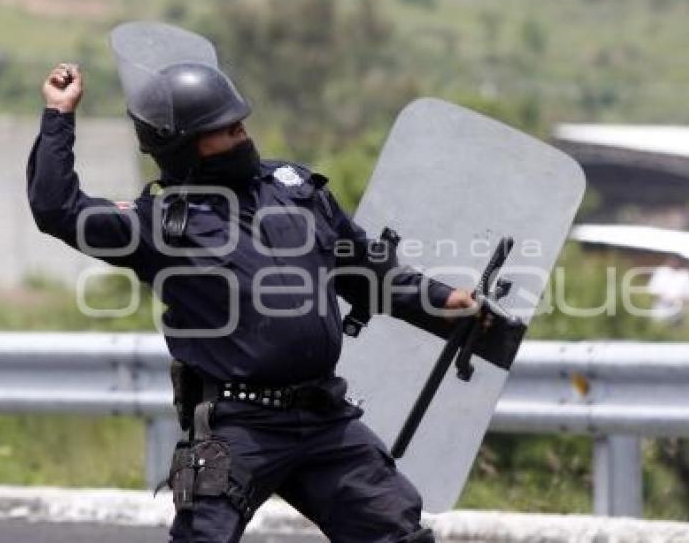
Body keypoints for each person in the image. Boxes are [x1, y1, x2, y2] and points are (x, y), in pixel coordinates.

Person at [27, 55, 476, 542]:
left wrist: (440, 298)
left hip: (325, 418)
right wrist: (59, 116)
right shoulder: (158, 224)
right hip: (238, 426)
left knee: (397, 532)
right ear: (185, 146)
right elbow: (57, 208)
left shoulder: (296, 191)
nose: (241, 132)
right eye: (224, 128)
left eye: (240, 122)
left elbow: (365, 269)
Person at [646, 256, 689, 325]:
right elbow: (652, 289)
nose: (675, 262)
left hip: (678, 313)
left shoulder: (686, 274)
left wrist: (679, 300)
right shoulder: (661, 272)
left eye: (677, 260)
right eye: (673, 259)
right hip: (660, 311)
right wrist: (665, 297)